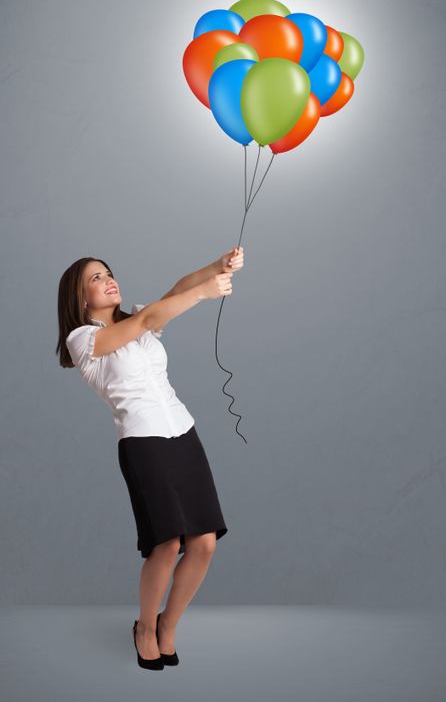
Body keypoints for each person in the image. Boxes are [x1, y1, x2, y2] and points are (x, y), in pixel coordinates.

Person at [55, 246, 244, 670]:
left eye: (108, 272)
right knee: (167, 543)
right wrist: (204, 293)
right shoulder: (83, 340)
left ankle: (168, 625)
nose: (108, 280)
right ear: (80, 298)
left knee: (205, 544)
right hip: (142, 442)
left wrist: (217, 267)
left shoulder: (137, 318)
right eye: (96, 278)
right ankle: (144, 627)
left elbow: (175, 292)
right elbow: (151, 318)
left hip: (183, 432)